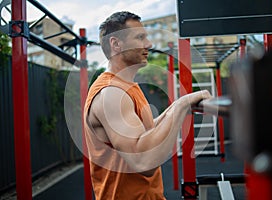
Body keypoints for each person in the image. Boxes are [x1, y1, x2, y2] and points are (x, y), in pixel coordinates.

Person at [84, 11, 212, 200]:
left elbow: (144, 132)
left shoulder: (125, 88)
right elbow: (143, 161)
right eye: (140, 37)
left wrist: (178, 105)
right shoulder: (110, 93)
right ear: (116, 44)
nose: (148, 44)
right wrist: (181, 106)